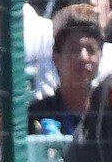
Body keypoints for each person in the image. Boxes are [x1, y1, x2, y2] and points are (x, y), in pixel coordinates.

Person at [30, 8, 103, 136]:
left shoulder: (110, 115)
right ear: (56, 58)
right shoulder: (35, 115)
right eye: (74, 50)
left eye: (91, 50)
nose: (83, 57)